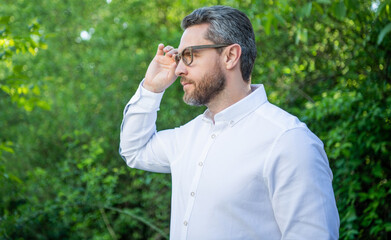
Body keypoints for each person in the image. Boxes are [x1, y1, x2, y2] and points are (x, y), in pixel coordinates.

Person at [119, 5, 339, 240]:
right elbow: (134, 149)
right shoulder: (187, 137)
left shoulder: (289, 141)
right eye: (178, 57)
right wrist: (151, 88)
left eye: (189, 55)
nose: (179, 69)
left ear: (230, 56)